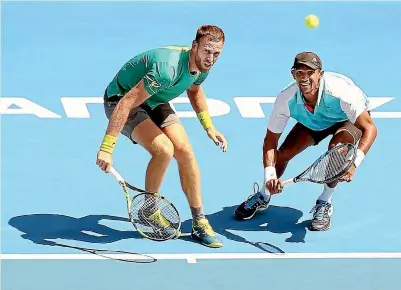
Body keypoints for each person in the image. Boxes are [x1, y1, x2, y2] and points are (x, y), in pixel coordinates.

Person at [96, 25, 228, 248]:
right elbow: (127, 103)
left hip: (154, 98)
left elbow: (194, 90)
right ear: (194, 46)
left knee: (185, 151)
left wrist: (209, 127)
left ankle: (199, 221)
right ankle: (149, 210)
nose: (211, 58)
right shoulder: (167, 70)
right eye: (207, 51)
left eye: (217, 53)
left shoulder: (203, 64)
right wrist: (107, 148)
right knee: (164, 149)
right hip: (121, 100)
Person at [234, 51, 378, 231]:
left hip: (346, 119)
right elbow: (270, 141)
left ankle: (324, 202)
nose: (305, 78)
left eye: (310, 72)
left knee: (337, 150)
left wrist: (354, 163)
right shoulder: (286, 99)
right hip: (314, 121)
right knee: (283, 154)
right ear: (293, 74)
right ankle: (264, 195)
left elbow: (370, 128)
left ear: (320, 74)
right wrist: (270, 177)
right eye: (299, 73)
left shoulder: (341, 94)